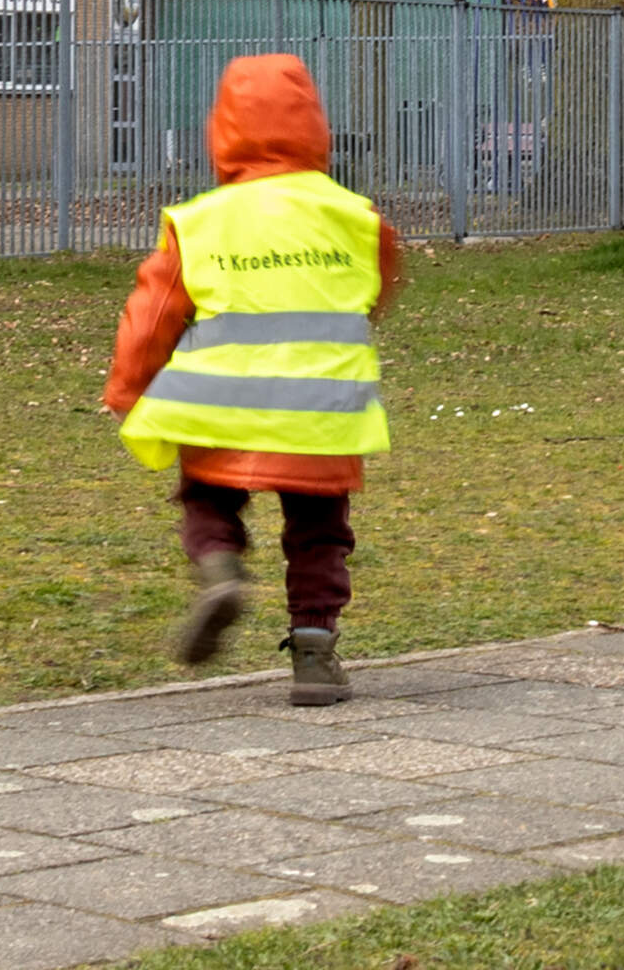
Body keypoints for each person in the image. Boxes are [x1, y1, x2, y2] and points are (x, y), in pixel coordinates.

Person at [106, 52, 403, 706]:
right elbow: (377, 290)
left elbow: (152, 314)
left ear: (223, 128)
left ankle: (220, 568)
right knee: (320, 530)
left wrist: (128, 389)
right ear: (314, 125)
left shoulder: (202, 219)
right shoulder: (356, 216)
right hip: (324, 409)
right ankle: (314, 652)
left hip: (220, 405)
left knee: (206, 496)